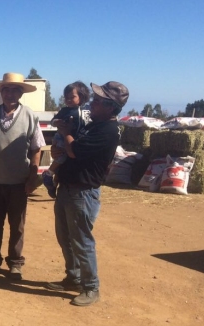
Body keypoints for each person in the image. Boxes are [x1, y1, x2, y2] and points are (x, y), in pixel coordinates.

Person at [45, 81, 128, 307]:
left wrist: (65, 133)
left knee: (82, 242)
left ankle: (91, 287)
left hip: (82, 193)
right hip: (69, 189)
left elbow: (75, 151)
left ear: (111, 107)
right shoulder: (94, 125)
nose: (93, 102)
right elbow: (68, 149)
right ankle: (73, 277)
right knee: (65, 238)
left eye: (99, 100)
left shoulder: (108, 131)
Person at [0, 72, 45, 280]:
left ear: (21, 93)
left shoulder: (30, 116)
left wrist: (33, 177)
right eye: (6, 90)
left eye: (15, 90)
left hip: (18, 183)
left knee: (17, 226)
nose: (10, 94)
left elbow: (36, 149)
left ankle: (15, 264)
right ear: (1, 93)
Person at [42, 81, 91, 198]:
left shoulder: (86, 112)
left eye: (72, 97)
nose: (68, 100)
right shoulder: (64, 110)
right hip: (63, 138)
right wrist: (56, 122)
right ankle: (49, 173)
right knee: (61, 156)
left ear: (82, 97)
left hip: (73, 141)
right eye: (66, 97)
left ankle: (53, 184)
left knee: (63, 160)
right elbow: (53, 120)